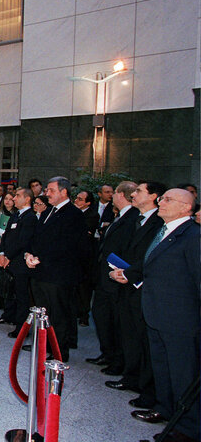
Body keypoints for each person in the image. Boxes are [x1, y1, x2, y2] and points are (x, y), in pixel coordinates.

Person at [116, 188, 199, 441]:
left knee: (183, 372)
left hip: (180, 320)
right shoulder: (164, 232)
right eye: (161, 198)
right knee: (162, 368)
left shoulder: (193, 236)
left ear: (186, 207)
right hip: (156, 313)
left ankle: (188, 427)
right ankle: (164, 408)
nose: (161, 202)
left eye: (168, 199)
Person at [106, 181, 165, 409]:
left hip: (144, 287)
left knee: (144, 340)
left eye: (139, 191)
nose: (134, 194)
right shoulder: (134, 219)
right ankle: (131, 377)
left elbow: (152, 255)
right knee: (128, 333)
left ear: (153, 197)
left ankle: (147, 388)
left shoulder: (159, 222)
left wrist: (130, 273)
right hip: (127, 285)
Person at [25, 177, 91, 362]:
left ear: (63, 192)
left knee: (58, 315)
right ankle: (44, 345)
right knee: (44, 313)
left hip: (58, 275)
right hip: (40, 273)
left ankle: (59, 352)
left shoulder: (74, 215)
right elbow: (37, 237)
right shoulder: (48, 212)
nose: (47, 193)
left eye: (51, 190)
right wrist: (28, 254)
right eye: (47, 189)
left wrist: (40, 258)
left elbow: (67, 246)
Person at [89, 181, 139, 375]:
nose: (111, 197)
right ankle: (108, 354)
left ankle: (117, 360)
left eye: (114, 193)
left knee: (114, 321)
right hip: (105, 276)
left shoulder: (132, 218)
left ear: (121, 195)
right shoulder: (120, 217)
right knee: (102, 317)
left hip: (117, 278)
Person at [0, 188, 37, 337]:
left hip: (20, 263)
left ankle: (22, 328)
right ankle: (9, 316)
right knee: (11, 293)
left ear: (27, 199)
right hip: (9, 260)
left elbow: (22, 241)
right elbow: (6, 236)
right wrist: (1, 253)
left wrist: (9, 256)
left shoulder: (30, 217)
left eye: (18, 196)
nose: (14, 199)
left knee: (22, 296)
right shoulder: (16, 215)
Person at [74, 189, 100, 326]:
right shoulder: (73, 213)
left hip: (86, 257)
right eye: (76, 198)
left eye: (80, 199)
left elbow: (85, 233)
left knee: (84, 287)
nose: (76, 201)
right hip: (73, 255)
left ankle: (84, 314)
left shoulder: (92, 215)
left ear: (88, 203)